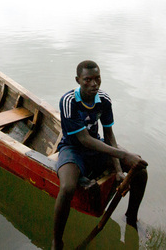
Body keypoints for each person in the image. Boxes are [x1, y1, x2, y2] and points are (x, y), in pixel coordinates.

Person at [52, 60, 148, 250]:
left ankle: (131, 218)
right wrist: (122, 155)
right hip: (73, 149)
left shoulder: (104, 99)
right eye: (88, 80)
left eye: (97, 79)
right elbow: (84, 139)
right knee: (67, 187)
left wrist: (119, 170)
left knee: (141, 172)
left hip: (97, 149)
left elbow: (109, 134)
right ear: (78, 80)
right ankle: (57, 241)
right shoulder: (68, 101)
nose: (94, 84)